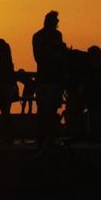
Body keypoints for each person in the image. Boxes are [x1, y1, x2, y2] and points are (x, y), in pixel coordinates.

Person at [31, 11, 66, 147]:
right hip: (47, 79)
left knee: (50, 111)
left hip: (52, 79)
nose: (57, 24)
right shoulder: (39, 36)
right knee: (44, 110)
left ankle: (48, 137)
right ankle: (43, 137)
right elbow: (39, 58)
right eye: (55, 21)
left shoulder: (55, 35)